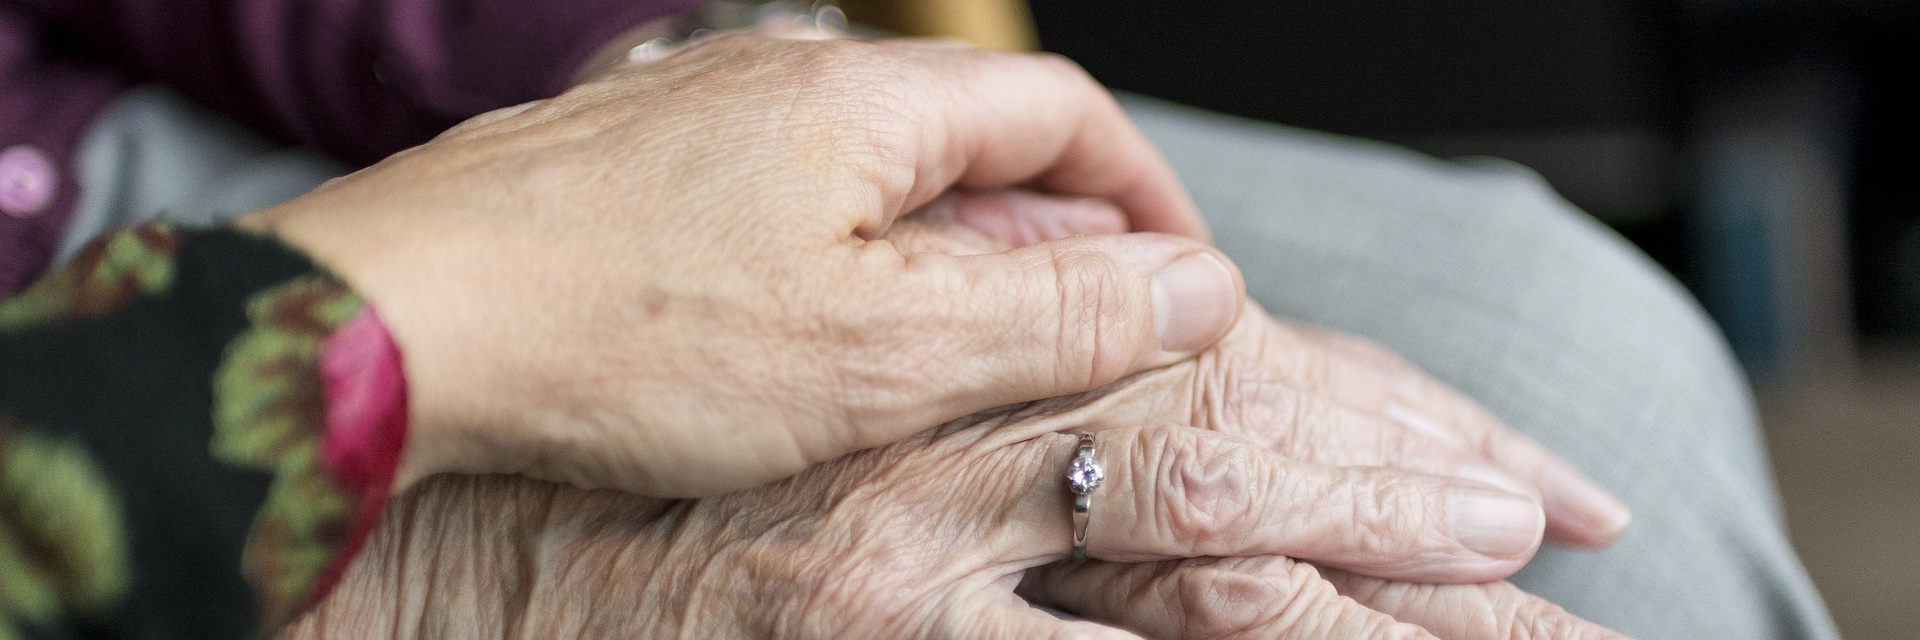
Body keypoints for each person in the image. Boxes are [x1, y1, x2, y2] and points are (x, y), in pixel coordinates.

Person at [0, 2, 1838, 639]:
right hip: (88, 439)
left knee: (1586, 408)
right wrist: (425, 550)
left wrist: (650, 101)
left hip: (139, 132)